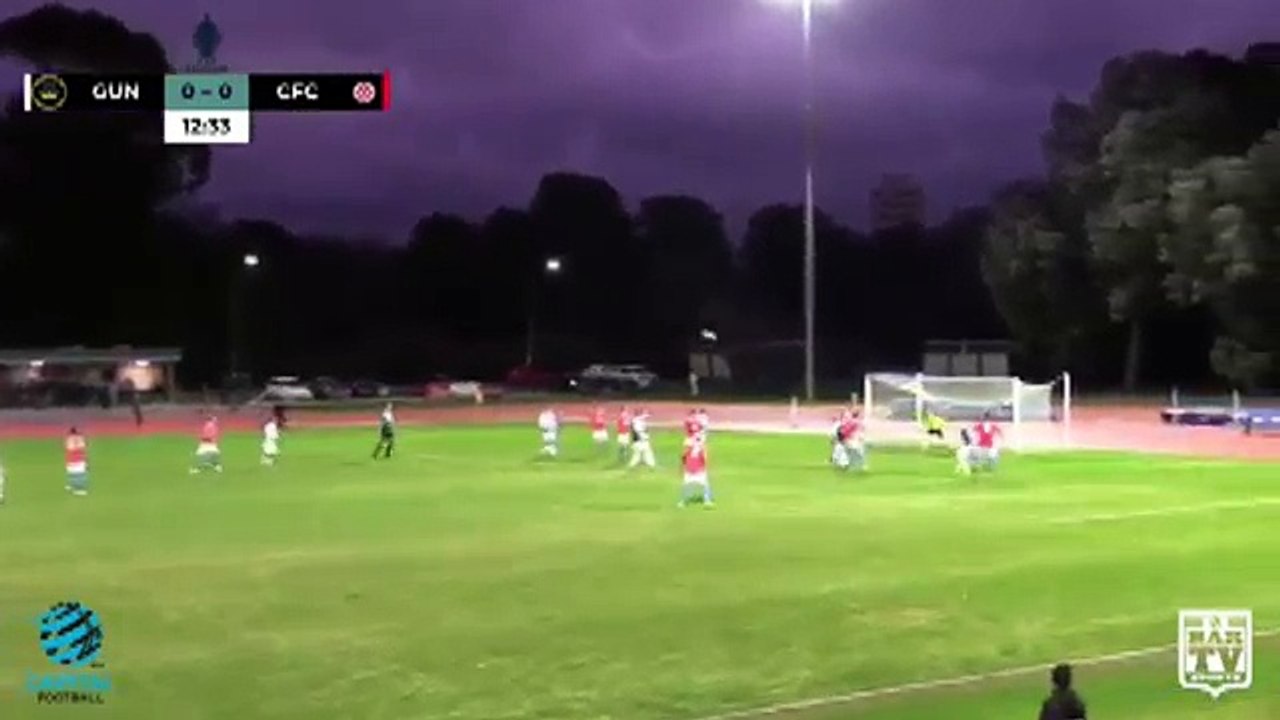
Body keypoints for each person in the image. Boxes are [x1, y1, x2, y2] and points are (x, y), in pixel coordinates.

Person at [678, 435, 714, 507]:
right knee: (687, 485)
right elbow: (684, 456)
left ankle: (707, 500)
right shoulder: (690, 445)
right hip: (691, 469)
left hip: (698, 469)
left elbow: (704, 456)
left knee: (705, 485)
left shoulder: (700, 446)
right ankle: (684, 501)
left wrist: (705, 466)